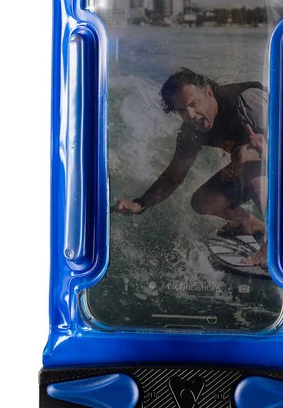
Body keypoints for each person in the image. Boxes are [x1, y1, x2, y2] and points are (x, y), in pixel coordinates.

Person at [112, 67, 269, 267]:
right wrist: (140, 204)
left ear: (209, 92)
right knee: (203, 201)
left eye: (194, 104)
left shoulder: (248, 102)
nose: (191, 115)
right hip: (262, 166)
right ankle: (251, 224)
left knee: (247, 161)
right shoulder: (191, 132)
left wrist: (269, 150)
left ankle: (280, 238)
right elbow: (173, 177)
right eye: (182, 110)